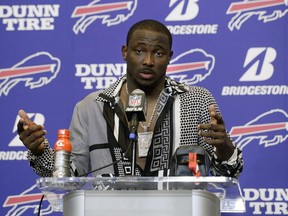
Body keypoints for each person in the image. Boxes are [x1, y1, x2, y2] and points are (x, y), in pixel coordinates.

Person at [17, 19, 243, 178]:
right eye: (139, 51)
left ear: (170, 57)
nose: (148, 61)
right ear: (125, 52)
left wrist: (224, 146)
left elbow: (230, 172)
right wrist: (39, 151)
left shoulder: (197, 100)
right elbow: (69, 174)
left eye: (158, 53)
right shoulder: (92, 107)